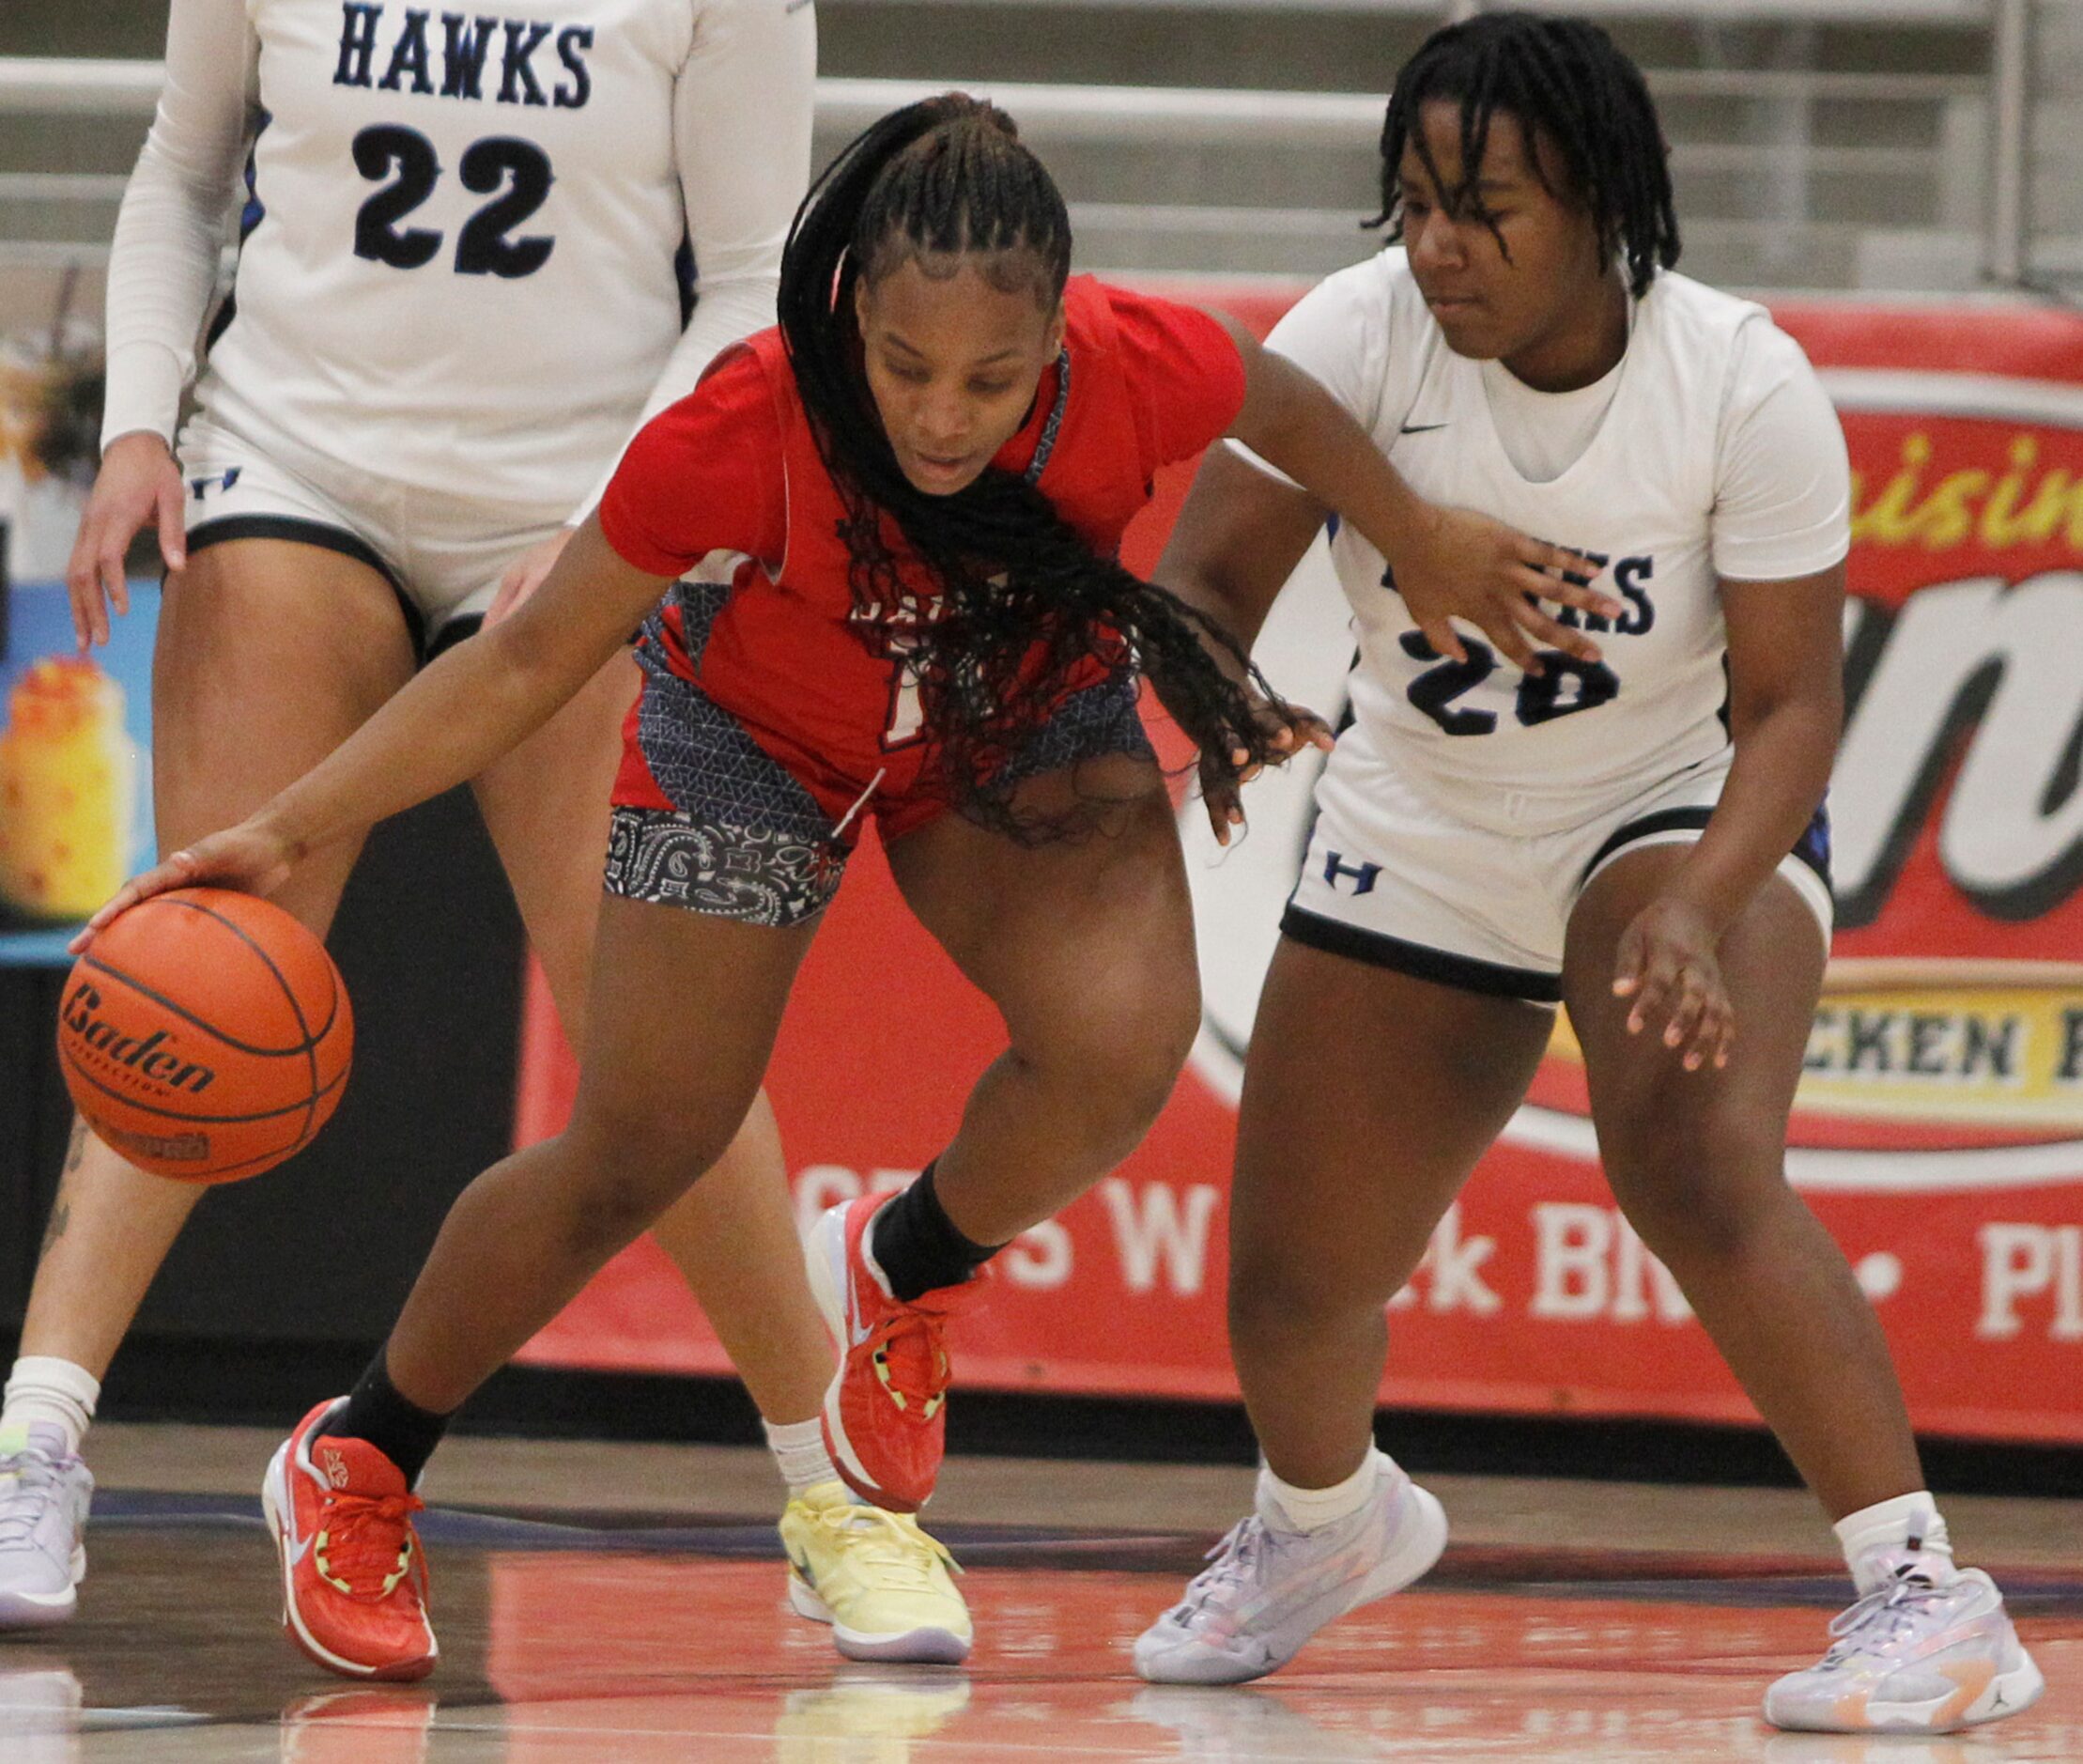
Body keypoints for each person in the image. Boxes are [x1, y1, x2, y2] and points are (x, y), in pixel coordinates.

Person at [77, 92, 1609, 1681]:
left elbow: (1281, 401)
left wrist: (1415, 528)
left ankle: (905, 1262)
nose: (945, 415)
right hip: (751, 737)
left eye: (991, 380)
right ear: (846, 318)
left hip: (1003, 711)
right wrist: (292, 825)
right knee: (638, 1151)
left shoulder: (1134, 359)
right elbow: (529, 658)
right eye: (904, 367)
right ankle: (364, 1455)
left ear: (1055, 344)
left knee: (1118, 1045)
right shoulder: (740, 422)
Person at [0, 0, 980, 1671]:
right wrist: (141, 420)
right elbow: (183, 168)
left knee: (657, 1039)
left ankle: (836, 1498)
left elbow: (754, 280)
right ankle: (36, 1435)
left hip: (581, 500)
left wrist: (627, 517)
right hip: (296, 455)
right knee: (210, 946)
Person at [1130, 12, 2043, 1737]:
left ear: (1601, 203)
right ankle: (1322, 1525)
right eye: (1411, 201)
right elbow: (1202, 592)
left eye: (1486, 207)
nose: (1437, 243)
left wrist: (1699, 903)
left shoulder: (1737, 380)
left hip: (1678, 806)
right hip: (1425, 817)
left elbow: (1789, 709)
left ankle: (1931, 1596)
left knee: (1689, 1153)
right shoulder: (1356, 335)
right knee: (1289, 1282)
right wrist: (1218, 702)